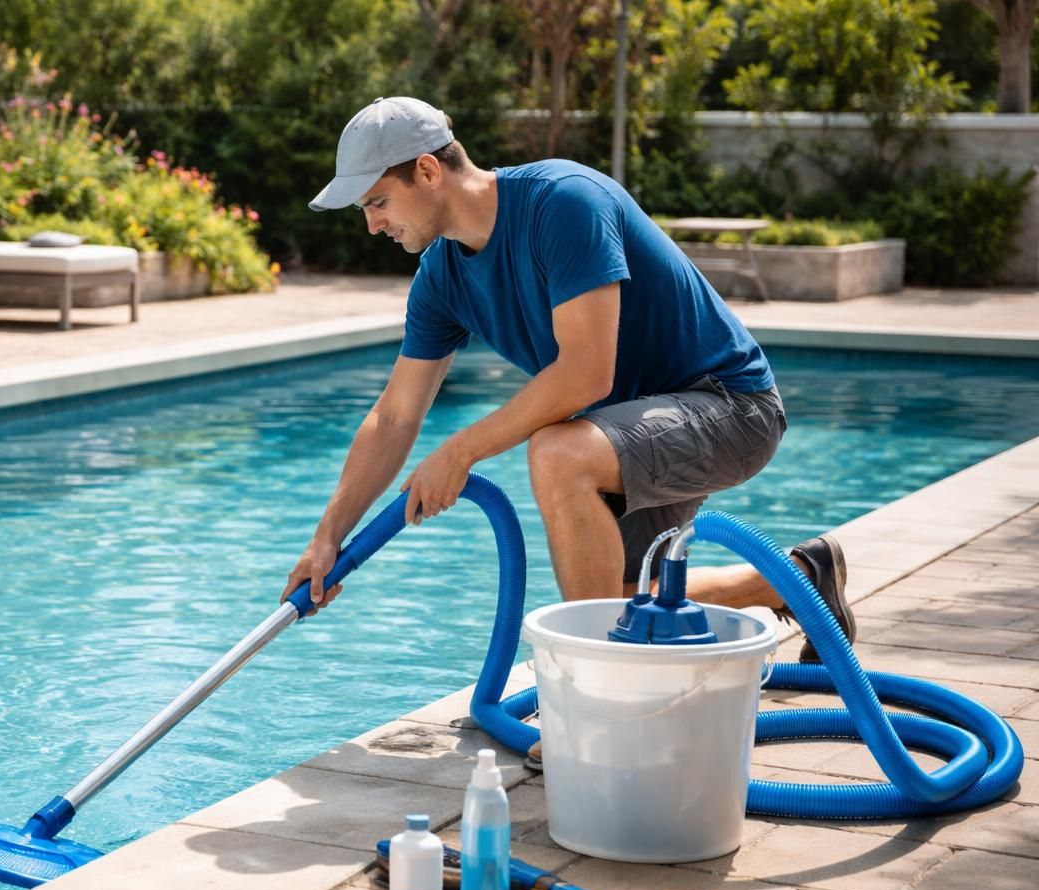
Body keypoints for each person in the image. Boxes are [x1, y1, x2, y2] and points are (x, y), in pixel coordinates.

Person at [281, 97, 855, 763]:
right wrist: (327, 538)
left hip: (729, 406)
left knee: (556, 454)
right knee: (614, 609)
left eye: (378, 201)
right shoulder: (440, 277)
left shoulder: (564, 202)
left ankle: (600, 716)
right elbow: (396, 414)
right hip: (624, 434)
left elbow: (587, 373)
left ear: (429, 172)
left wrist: (461, 451)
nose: (373, 223)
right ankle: (796, 578)